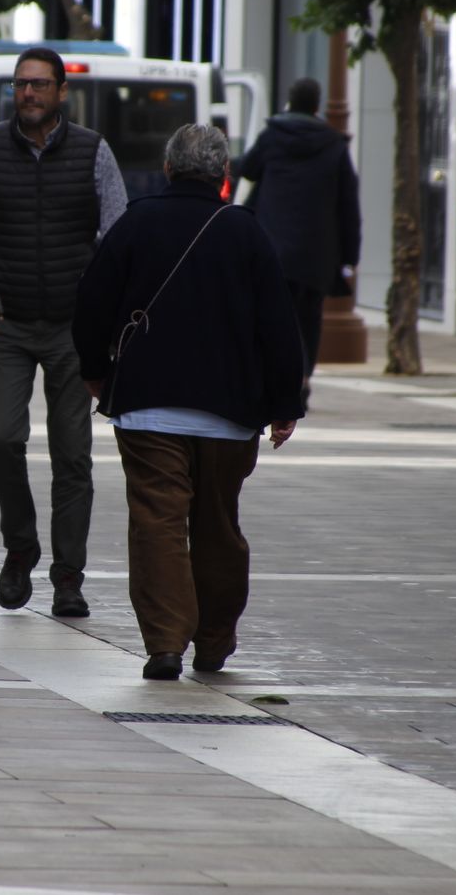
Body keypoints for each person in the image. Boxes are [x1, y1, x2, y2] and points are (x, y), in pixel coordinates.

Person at [73, 124, 305, 680]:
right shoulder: (245, 231)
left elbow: (91, 303)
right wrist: (284, 403)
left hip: (149, 406)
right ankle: (215, 641)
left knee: (157, 524)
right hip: (230, 413)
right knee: (218, 527)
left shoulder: (137, 222)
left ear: (168, 167)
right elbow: (279, 324)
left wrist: (97, 372)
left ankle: (165, 644)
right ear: (224, 175)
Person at [0, 46, 127, 618]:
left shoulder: (94, 151)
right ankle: (20, 547)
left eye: (40, 84)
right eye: (21, 84)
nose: (29, 93)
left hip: (73, 328)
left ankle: (68, 576)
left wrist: (105, 314)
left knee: (73, 456)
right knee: (1, 439)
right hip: (6, 321)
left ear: (62, 92)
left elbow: (118, 237)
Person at [235, 77, 361, 406]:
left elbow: (247, 169)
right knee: (309, 317)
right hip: (317, 253)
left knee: (276, 315)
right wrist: (350, 256)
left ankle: (280, 378)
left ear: (290, 102)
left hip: (273, 246)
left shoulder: (273, 135)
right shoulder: (334, 144)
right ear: (317, 105)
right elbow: (348, 204)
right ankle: (302, 377)